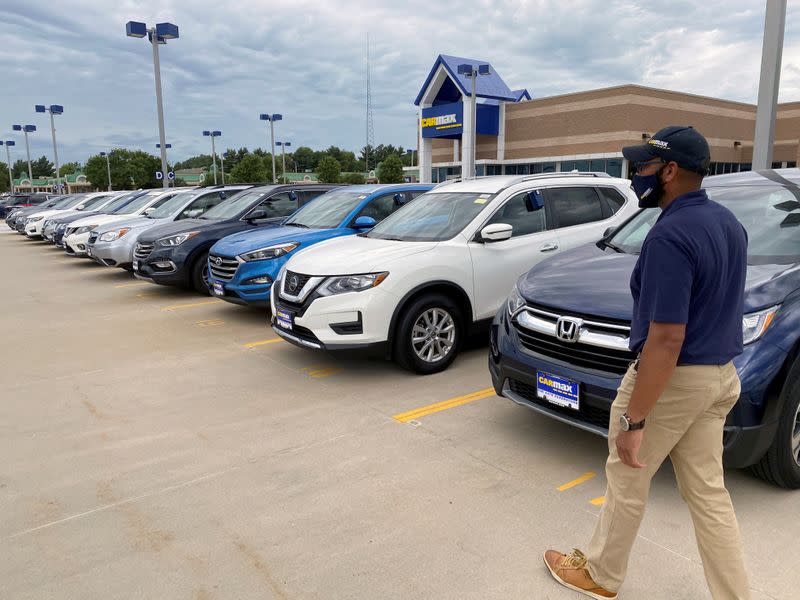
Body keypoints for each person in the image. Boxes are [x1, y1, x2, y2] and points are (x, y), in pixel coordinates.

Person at [543, 126, 751, 599]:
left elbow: (666, 337)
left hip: (675, 380)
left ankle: (600, 574)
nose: (636, 175)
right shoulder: (729, 225)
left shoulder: (669, 236)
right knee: (709, 494)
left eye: (644, 167)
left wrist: (635, 418)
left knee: (627, 471)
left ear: (671, 171)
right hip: (720, 377)